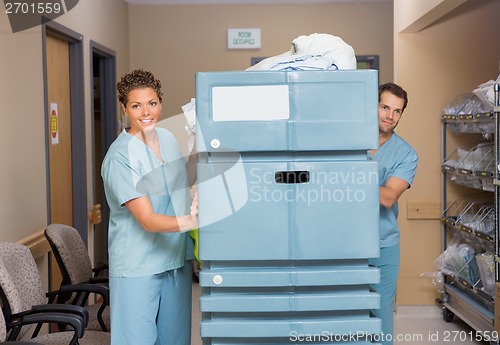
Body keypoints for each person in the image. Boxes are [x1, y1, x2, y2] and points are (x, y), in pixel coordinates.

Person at [101, 69, 198, 345]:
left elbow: (182, 178)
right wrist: (194, 221)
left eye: (152, 103)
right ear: (124, 108)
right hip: (138, 265)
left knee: (175, 339)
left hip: (175, 259)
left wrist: (202, 141)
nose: (146, 112)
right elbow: (147, 220)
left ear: (160, 103)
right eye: (136, 105)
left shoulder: (166, 138)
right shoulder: (120, 157)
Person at [368, 82, 418, 345]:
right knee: (343, 311)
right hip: (341, 243)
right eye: (384, 107)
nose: (390, 115)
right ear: (373, 106)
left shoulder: (406, 154)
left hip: (383, 244)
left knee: (382, 314)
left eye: (397, 111)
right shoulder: (347, 140)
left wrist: (344, 176)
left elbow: (388, 197)